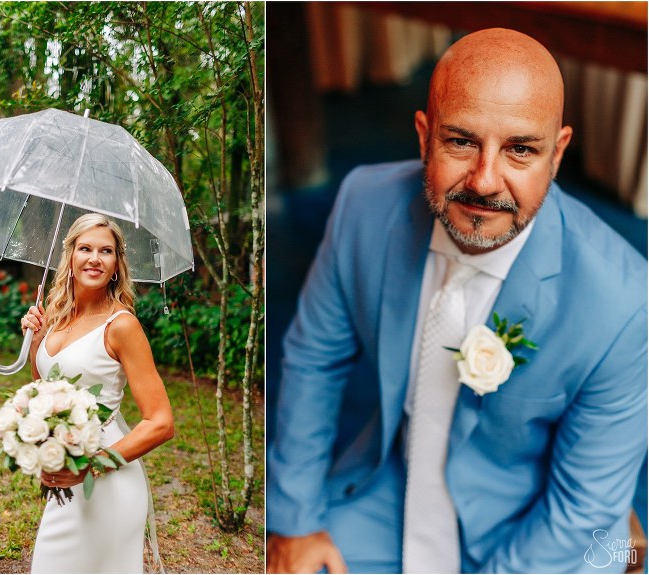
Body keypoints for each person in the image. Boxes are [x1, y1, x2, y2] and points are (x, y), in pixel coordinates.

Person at [267, 28, 647, 573]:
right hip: (390, 486)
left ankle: (631, 538)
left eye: (520, 149)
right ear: (424, 137)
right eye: (461, 141)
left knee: (601, 543)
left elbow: (580, 512)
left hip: (553, 526)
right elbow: (313, 361)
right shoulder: (362, 207)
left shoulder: (626, 303)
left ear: (557, 153)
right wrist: (296, 521)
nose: (485, 181)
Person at [20, 213, 174, 574]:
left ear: (117, 264)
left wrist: (93, 465)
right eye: (85, 248)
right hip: (66, 471)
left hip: (108, 479)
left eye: (106, 251)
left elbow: (161, 422)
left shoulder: (122, 325)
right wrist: (36, 342)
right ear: (70, 258)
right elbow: (44, 390)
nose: (94, 258)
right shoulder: (56, 316)